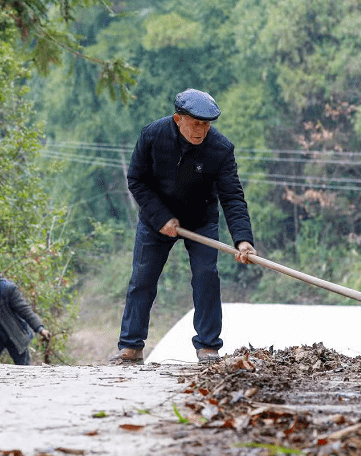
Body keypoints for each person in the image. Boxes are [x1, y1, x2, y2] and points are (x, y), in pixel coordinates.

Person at [110, 88, 257, 365]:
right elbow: (137, 181)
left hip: (200, 220)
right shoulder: (153, 135)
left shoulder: (221, 149)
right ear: (178, 119)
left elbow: (232, 196)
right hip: (157, 219)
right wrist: (161, 217)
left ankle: (208, 347)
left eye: (206, 124)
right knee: (142, 279)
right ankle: (130, 346)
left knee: (206, 278)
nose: (201, 130)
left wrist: (242, 240)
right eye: (195, 124)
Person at [0, 268, 50, 365]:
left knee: (24, 369)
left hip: (14, 333)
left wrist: (40, 329)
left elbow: (25, 310)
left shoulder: (8, 289)